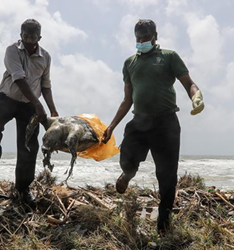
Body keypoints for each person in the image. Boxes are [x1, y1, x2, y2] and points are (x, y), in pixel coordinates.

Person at [102, 19, 204, 234]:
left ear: (155, 36)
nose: (141, 41)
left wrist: (196, 97)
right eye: (138, 38)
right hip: (139, 122)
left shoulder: (168, 56)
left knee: (167, 177)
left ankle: (163, 227)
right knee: (127, 159)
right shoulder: (130, 62)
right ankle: (127, 175)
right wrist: (111, 126)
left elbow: (189, 83)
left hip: (166, 123)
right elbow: (127, 100)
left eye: (145, 37)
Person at [0, 19, 59, 206]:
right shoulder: (12, 50)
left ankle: (22, 188)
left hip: (29, 106)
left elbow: (46, 86)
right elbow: (19, 79)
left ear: (40, 37)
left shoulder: (45, 57)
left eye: (33, 37)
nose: (29, 40)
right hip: (8, 98)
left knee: (28, 147)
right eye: (26, 36)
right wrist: (38, 104)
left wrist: (52, 109)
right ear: (21, 35)